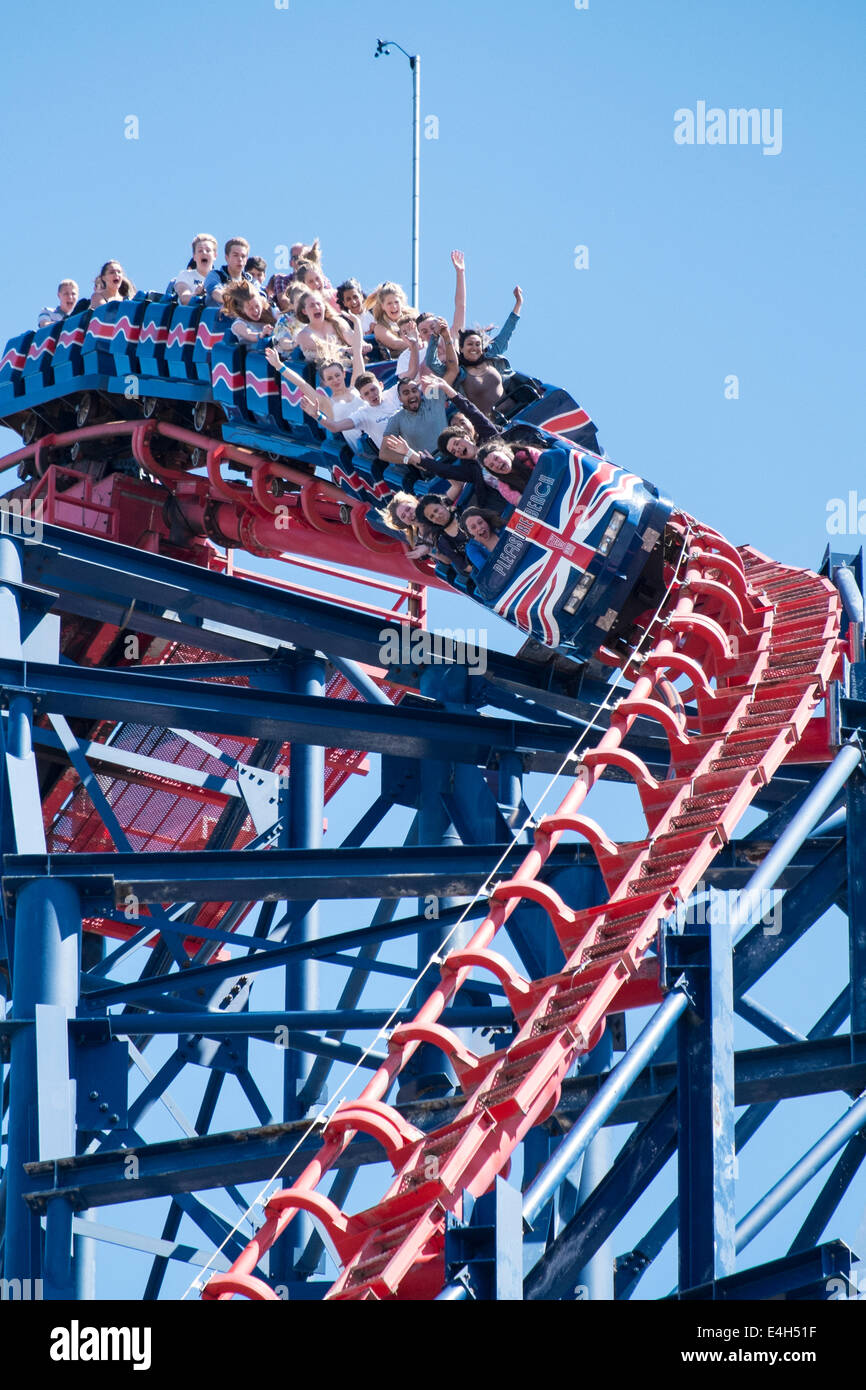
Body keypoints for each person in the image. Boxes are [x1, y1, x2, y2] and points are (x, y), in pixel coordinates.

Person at [265, 316, 367, 445]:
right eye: (330, 378)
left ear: (343, 374)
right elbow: (301, 384)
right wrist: (279, 366)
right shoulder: (326, 403)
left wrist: (357, 321)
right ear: (324, 382)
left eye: (337, 375)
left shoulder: (356, 387)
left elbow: (357, 352)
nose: (335, 380)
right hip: (362, 446)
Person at [454, 287, 524, 413]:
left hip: (516, 411)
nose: (474, 348)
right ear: (461, 348)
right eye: (470, 344)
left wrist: (518, 303)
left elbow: (507, 331)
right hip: (496, 425)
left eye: (477, 344)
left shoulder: (491, 357)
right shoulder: (458, 373)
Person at [414, 494, 472, 576]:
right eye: (432, 516)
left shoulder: (463, 511)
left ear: (442, 504)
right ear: (431, 522)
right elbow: (465, 566)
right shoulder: (442, 540)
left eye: (436, 510)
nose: (437, 516)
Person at [294, 291, 355, 363]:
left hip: (347, 366)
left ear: (324, 306)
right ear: (304, 311)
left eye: (318, 304)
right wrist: (345, 350)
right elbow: (324, 348)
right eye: (312, 305)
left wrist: (363, 345)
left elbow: (352, 339)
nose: (316, 307)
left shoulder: (337, 323)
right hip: (322, 371)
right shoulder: (303, 335)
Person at [476, 440, 535, 505]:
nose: (496, 464)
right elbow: (525, 504)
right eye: (491, 465)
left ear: (504, 452)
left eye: (496, 458)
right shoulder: (503, 486)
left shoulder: (527, 453)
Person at [367, 282, 417, 357]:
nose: (394, 306)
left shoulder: (414, 317)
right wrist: (416, 344)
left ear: (402, 302)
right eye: (389, 303)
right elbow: (395, 344)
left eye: (396, 302)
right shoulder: (380, 327)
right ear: (382, 306)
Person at [220, 279, 275, 344]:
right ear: (242, 310)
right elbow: (249, 335)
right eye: (250, 309)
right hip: (254, 352)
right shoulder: (238, 324)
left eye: (257, 306)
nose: (256, 311)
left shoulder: (269, 310)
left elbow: (281, 316)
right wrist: (262, 334)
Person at [381, 492, 433, 560]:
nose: (408, 515)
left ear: (415, 502)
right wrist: (431, 550)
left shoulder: (434, 508)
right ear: (404, 523)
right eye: (403, 516)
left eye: (408, 509)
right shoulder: (419, 542)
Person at [204, 238, 251, 307]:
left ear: (246, 260)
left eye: (243, 256)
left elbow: (261, 297)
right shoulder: (215, 275)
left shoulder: (250, 280)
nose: (240, 259)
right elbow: (216, 293)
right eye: (235, 255)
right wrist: (238, 302)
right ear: (227, 258)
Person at [174, 234, 218, 305]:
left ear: (215, 256)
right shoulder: (185, 275)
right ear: (194, 256)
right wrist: (196, 293)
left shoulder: (220, 280)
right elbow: (184, 299)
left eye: (208, 250)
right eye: (200, 251)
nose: (204, 253)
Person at [461, 506, 505, 571]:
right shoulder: (472, 548)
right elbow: (488, 571)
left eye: (480, 522)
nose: (479, 528)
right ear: (469, 532)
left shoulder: (499, 526)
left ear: (485, 520)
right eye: (473, 527)